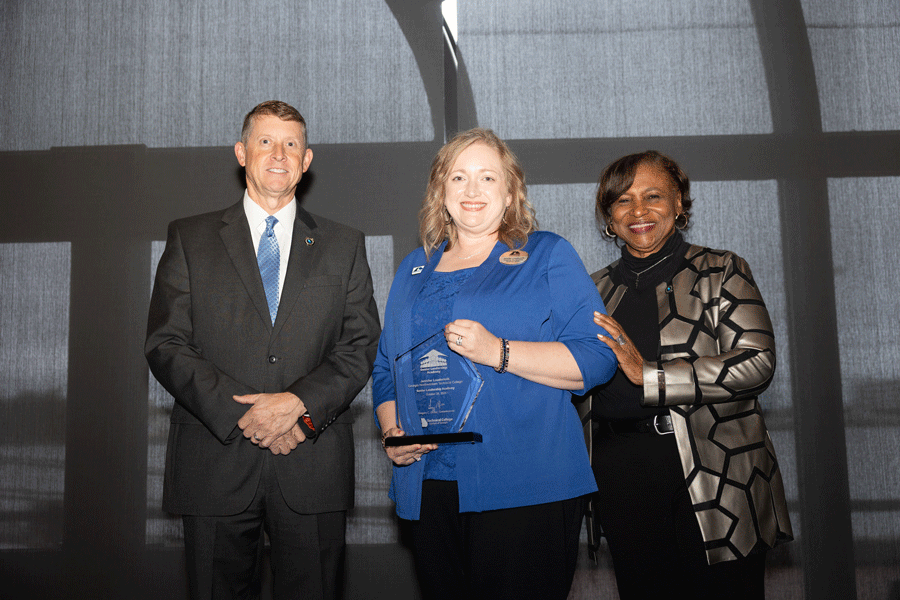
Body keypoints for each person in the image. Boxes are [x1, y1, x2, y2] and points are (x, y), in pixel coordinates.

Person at [145, 100, 380, 600]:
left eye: (291, 144)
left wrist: (297, 406)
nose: (279, 154)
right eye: (266, 141)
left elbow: (359, 345)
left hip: (311, 462)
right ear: (241, 152)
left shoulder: (345, 244)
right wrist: (246, 416)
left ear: (307, 159)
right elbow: (166, 343)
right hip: (215, 459)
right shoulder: (190, 237)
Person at [372, 128, 617, 600]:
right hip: (428, 487)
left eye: (488, 177)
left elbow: (598, 355)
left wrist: (498, 352)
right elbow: (387, 367)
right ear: (441, 193)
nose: (472, 190)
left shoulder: (547, 254)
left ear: (510, 193)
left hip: (525, 484)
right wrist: (391, 433)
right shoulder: (413, 268)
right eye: (458, 177)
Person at [582, 150, 793, 599]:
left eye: (653, 196)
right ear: (609, 217)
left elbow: (756, 361)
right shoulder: (591, 290)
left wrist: (651, 376)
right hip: (621, 478)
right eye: (622, 201)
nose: (638, 211)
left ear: (679, 204)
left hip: (715, 475)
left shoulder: (722, 270)